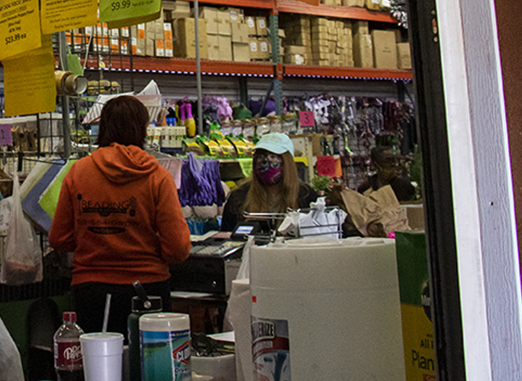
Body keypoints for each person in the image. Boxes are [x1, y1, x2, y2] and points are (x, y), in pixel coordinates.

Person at [49, 96, 191, 335]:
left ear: (103, 126)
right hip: (148, 292)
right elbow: (177, 248)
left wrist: (94, 239)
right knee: (149, 367)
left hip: (91, 292)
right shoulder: (157, 176)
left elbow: (59, 239)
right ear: (143, 129)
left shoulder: (78, 172)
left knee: (99, 368)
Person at [219, 132, 319, 233]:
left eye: (272, 156)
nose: (265, 161)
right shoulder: (239, 198)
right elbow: (227, 240)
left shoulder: (307, 197)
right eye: (259, 156)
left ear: (286, 162)